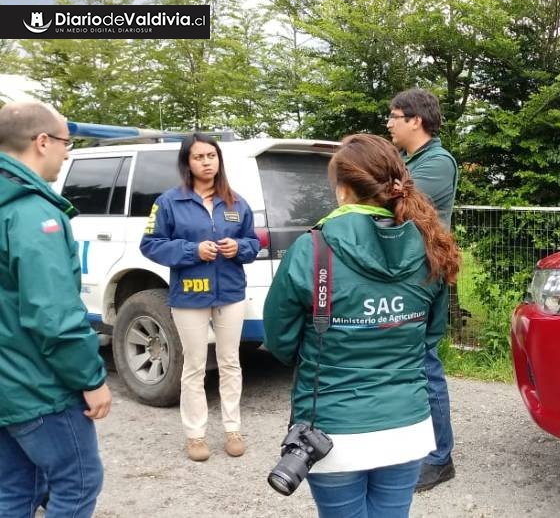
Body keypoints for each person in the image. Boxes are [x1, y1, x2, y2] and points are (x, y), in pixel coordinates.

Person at [263, 134, 460, 517]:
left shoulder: (312, 248)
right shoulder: (431, 246)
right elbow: (430, 335)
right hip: (407, 425)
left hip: (332, 429)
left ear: (343, 190)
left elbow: (280, 340)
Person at [0, 101, 112, 517]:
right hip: (37, 387)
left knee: (16, 488)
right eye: (66, 143)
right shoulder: (33, 212)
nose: (67, 153)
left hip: (7, 382)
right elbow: (52, 315)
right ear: (42, 141)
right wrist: (91, 377)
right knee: (78, 482)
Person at [140, 132, 259, 462]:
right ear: (187, 163)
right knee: (194, 365)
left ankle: (232, 428)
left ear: (219, 160)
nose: (206, 162)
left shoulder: (236, 202)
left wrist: (240, 248)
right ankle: (195, 435)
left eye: (211, 156)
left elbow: (253, 243)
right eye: (199, 157)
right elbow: (150, 244)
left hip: (231, 294)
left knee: (230, 362)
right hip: (189, 297)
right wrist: (192, 250)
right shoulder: (168, 202)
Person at [387, 88, 459, 491]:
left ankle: (439, 458)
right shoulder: (409, 162)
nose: (389, 123)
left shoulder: (437, 162)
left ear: (416, 120)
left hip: (424, 277)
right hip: (406, 274)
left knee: (425, 363)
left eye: (394, 116)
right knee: (409, 362)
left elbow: (398, 206)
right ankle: (419, 445)